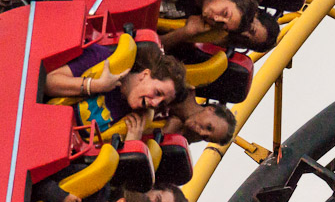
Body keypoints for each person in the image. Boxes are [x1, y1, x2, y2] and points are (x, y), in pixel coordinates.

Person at [45, 40, 187, 132]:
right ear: (145, 75)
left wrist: (130, 143)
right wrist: (96, 86)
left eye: (161, 103)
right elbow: (46, 82)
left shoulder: (132, 120)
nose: (155, 103)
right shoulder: (101, 59)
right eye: (157, 92)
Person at [161, 94, 237, 145]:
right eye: (209, 127)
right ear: (210, 109)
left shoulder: (175, 136)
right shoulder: (178, 86)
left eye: (205, 138)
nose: (201, 133)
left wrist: (167, 136)